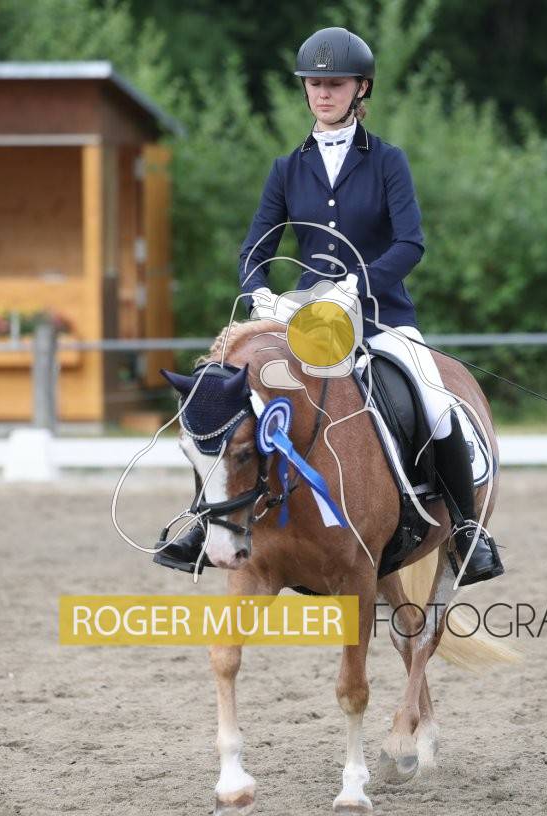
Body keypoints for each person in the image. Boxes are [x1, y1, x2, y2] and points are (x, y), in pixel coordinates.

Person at [155, 26, 503, 585]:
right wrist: (262, 292)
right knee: (227, 399)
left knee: (437, 403)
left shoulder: (387, 161)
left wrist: (354, 288)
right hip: (305, 324)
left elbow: (410, 244)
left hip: (382, 318)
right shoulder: (287, 168)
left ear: (361, 88)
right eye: (315, 84)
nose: (323, 93)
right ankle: (204, 522)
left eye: (335, 84)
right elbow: (255, 248)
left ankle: (465, 530)